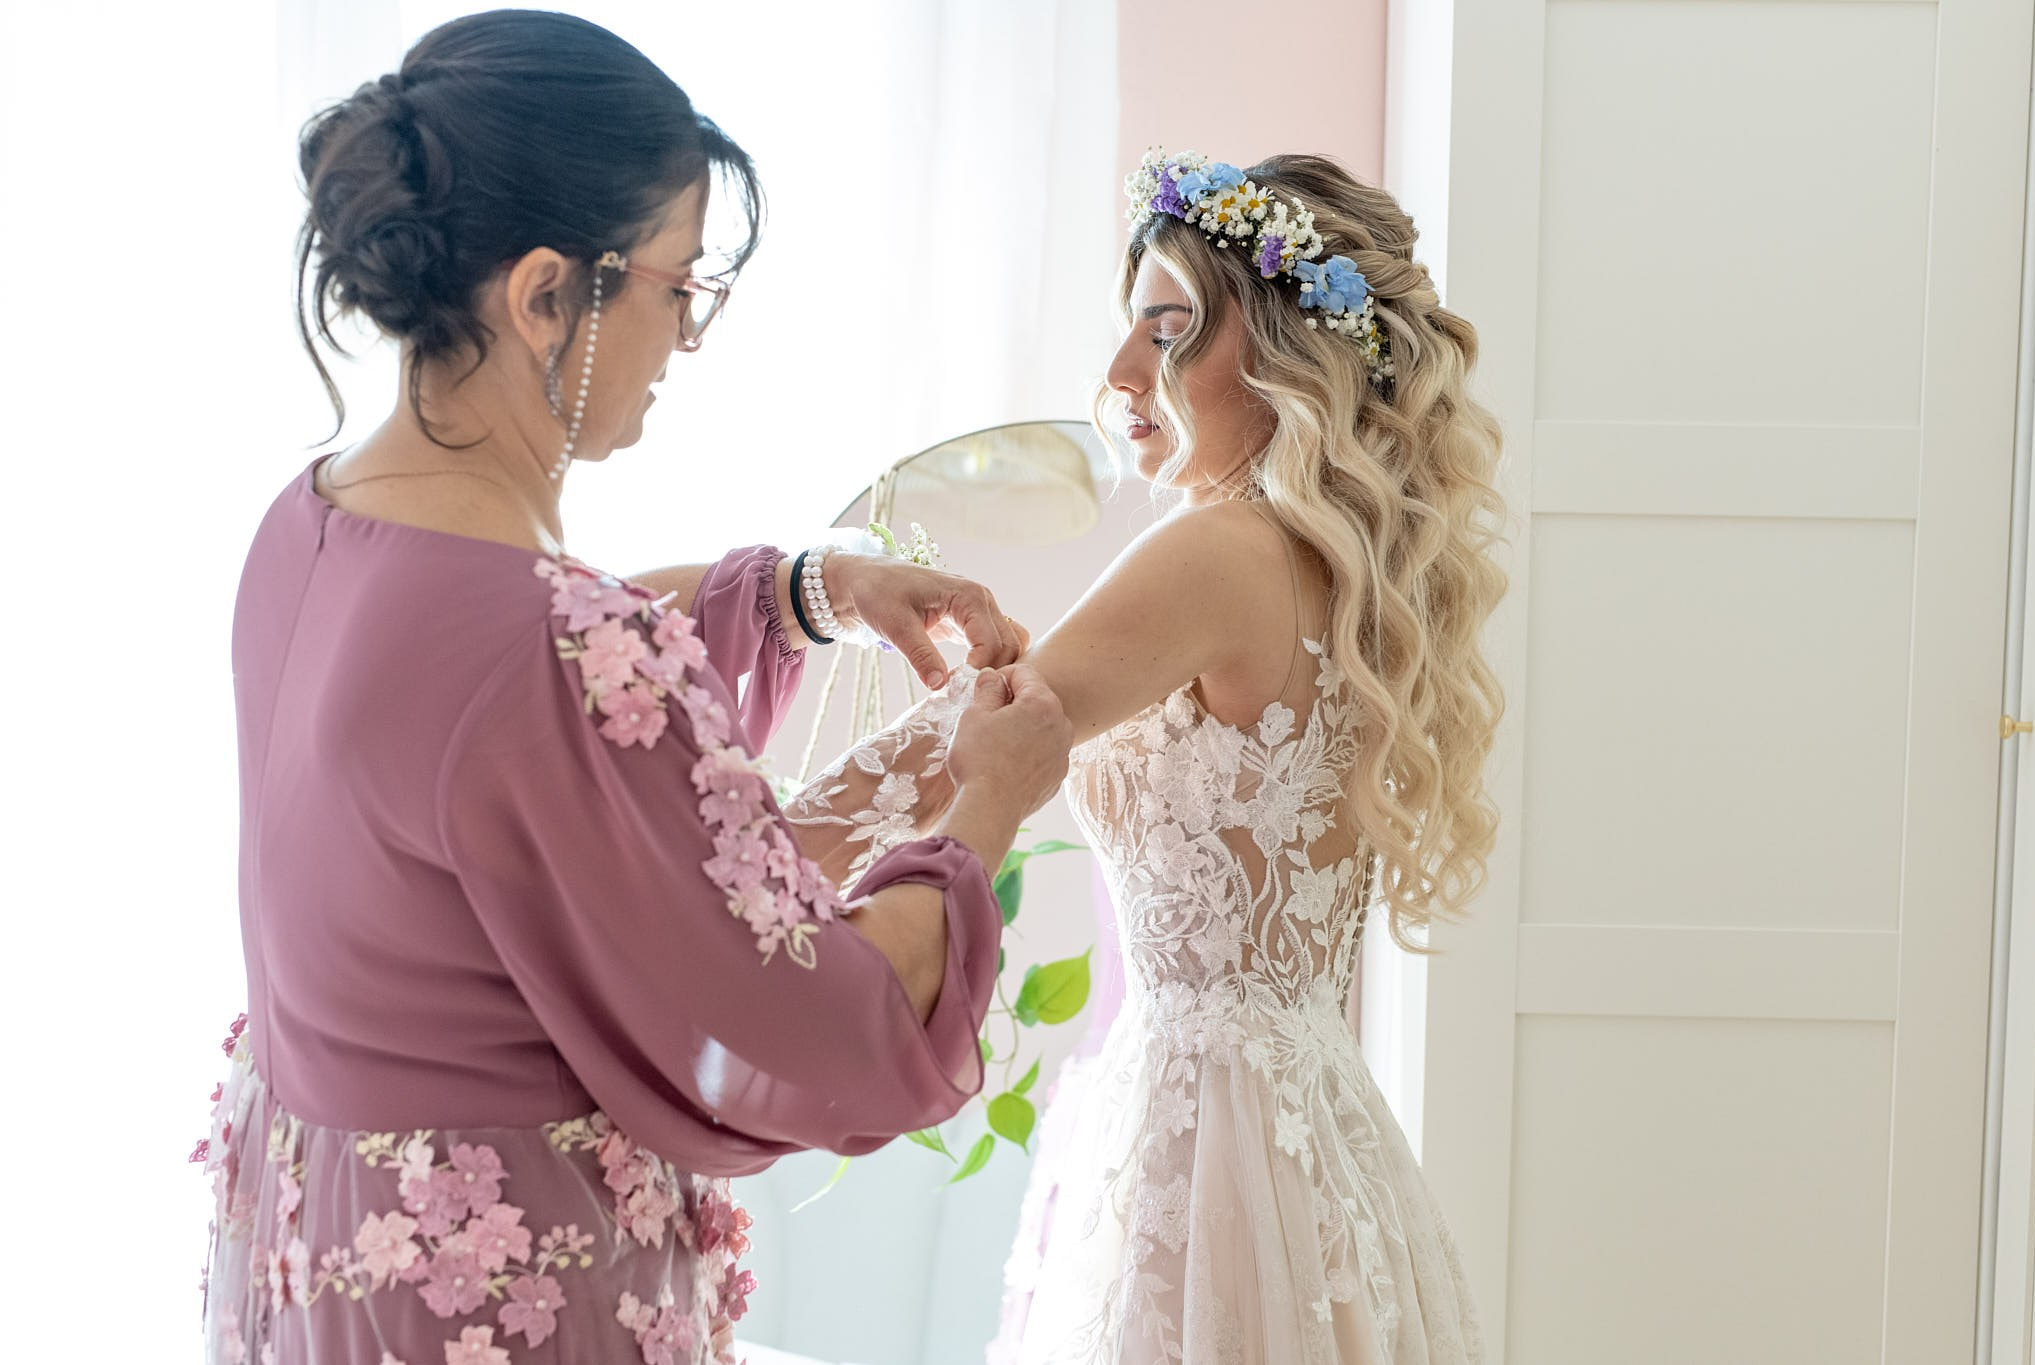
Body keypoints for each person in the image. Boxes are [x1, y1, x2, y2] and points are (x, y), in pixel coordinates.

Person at [195, 11, 1070, 1363]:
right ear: (546, 293)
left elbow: (499, 720)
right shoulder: (540, 648)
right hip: (493, 1288)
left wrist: (808, 590)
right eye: (680, 286)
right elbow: (822, 1024)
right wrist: (988, 805)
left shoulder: (307, 525)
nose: (687, 338)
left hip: (331, 1251)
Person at [788, 151, 1506, 1363]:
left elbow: (969, 741)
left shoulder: (1218, 548)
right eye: (1127, 326)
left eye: (1168, 331)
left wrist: (731, 850)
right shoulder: (1348, 570)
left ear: (1287, 353)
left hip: (1209, 1130)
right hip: (1306, 1119)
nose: (1119, 372)